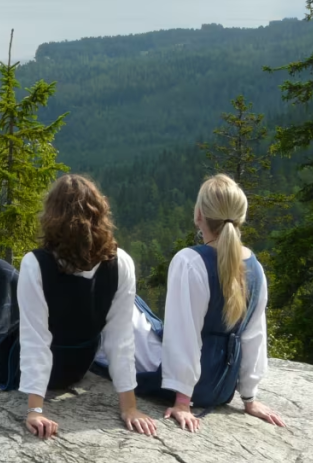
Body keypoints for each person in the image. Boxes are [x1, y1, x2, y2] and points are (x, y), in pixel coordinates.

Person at [0, 174, 156, 439]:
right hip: (78, 366)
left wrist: (35, 409)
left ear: (53, 217)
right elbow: (119, 340)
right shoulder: (121, 263)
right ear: (100, 214)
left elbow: (35, 341)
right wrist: (129, 407)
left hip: (40, 372)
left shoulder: (36, 264)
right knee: (3, 274)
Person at [95, 174, 286, 432]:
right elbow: (254, 336)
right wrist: (249, 398)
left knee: (122, 306)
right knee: (135, 310)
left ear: (199, 215)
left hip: (190, 387)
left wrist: (183, 401)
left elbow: (184, 335)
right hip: (222, 387)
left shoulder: (191, 261)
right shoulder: (256, 268)